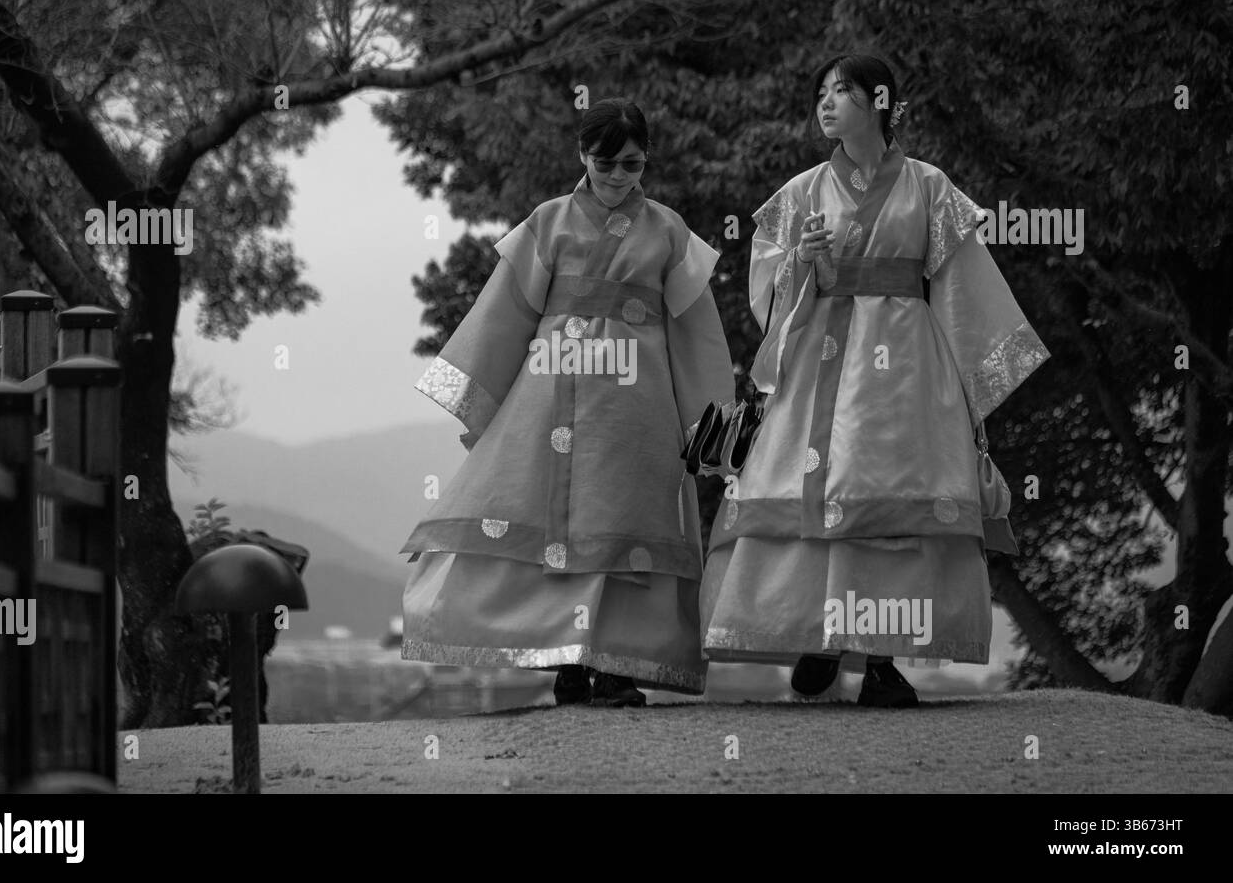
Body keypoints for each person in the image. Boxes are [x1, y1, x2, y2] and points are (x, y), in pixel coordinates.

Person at [699, 54, 1050, 707]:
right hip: (819, 358)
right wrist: (801, 268)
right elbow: (769, 296)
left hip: (904, 362)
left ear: (880, 103)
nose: (826, 102)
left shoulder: (929, 187)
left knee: (889, 499)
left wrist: (971, 381)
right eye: (821, 91)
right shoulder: (801, 192)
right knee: (817, 486)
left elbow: (961, 288)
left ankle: (881, 659)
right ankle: (821, 632)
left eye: (844, 91)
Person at [400, 98, 735, 707]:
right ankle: (566, 660)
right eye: (605, 163)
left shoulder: (671, 231)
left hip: (638, 404)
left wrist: (710, 420)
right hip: (549, 390)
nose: (617, 176)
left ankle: (612, 664)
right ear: (583, 155)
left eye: (632, 165)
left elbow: (697, 332)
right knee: (544, 517)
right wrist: (483, 400)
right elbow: (505, 316)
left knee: (624, 521)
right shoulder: (547, 221)